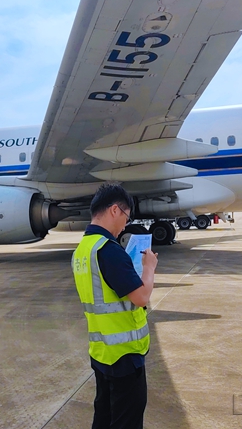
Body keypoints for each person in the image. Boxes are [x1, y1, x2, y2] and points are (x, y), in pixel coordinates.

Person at [72, 183, 158, 429]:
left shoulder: (82, 250)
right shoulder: (109, 251)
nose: (125, 225)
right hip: (124, 356)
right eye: (126, 217)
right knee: (126, 420)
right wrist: (149, 267)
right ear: (114, 210)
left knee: (104, 416)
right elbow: (141, 297)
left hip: (101, 352)